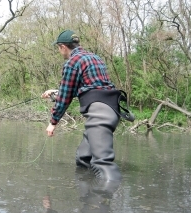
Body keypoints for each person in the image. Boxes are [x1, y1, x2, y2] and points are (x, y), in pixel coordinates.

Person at [41, 29, 130, 181]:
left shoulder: (72, 63)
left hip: (99, 114)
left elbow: (65, 97)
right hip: (110, 109)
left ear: (63, 47)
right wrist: (55, 93)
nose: (59, 51)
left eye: (58, 48)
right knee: (83, 158)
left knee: (103, 163)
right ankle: (89, 199)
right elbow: (88, 87)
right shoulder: (94, 57)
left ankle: (104, 200)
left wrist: (52, 122)